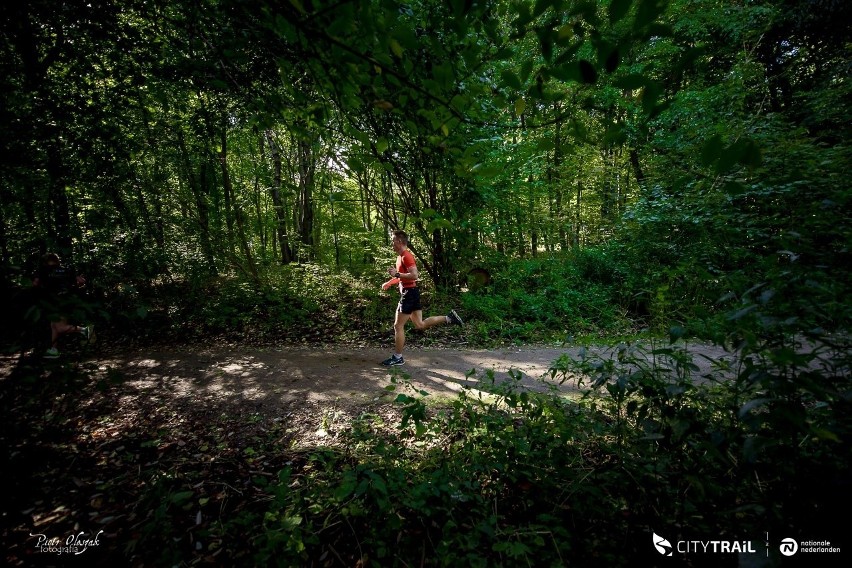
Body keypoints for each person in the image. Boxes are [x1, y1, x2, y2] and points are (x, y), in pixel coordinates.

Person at [380, 230, 463, 366]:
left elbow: (414, 275)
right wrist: (390, 282)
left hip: (409, 294)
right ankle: (449, 318)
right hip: (412, 292)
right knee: (420, 325)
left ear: (400, 241)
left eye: (393, 240)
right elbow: (402, 277)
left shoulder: (406, 256)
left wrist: (397, 275)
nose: (392, 243)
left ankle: (398, 357)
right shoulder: (400, 257)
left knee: (398, 326)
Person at [32, 252, 93, 359]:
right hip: (66, 300)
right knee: (54, 326)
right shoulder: (66, 270)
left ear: (46, 261)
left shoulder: (43, 271)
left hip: (54, 301)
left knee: (60, 328)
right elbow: (82, 281)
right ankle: (54, 350)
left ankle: (85, 330)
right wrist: (72, 286)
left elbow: (35, 284)